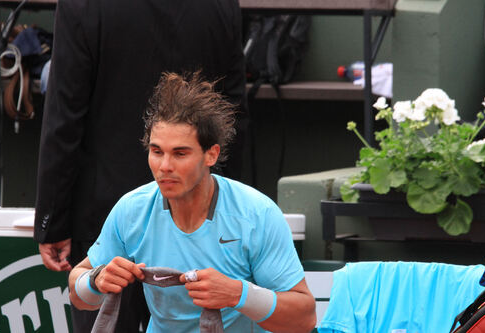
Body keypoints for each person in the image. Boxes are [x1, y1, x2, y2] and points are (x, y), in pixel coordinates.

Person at [33, 0, 248, 331]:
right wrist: (235, 214)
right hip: (199, 218)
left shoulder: (83, 6)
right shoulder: (222, 5)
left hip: (106, 216)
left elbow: (64, 116)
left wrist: (52, 220)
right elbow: (233, 116)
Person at [68, 72, 316, 333]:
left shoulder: (257, 214)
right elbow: (77, 293)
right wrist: (96, 280)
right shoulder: (132, 210)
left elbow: (304, 318)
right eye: (156, 151)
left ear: (211, 154)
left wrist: (239, 294)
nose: (165, 166)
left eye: (180, 153)